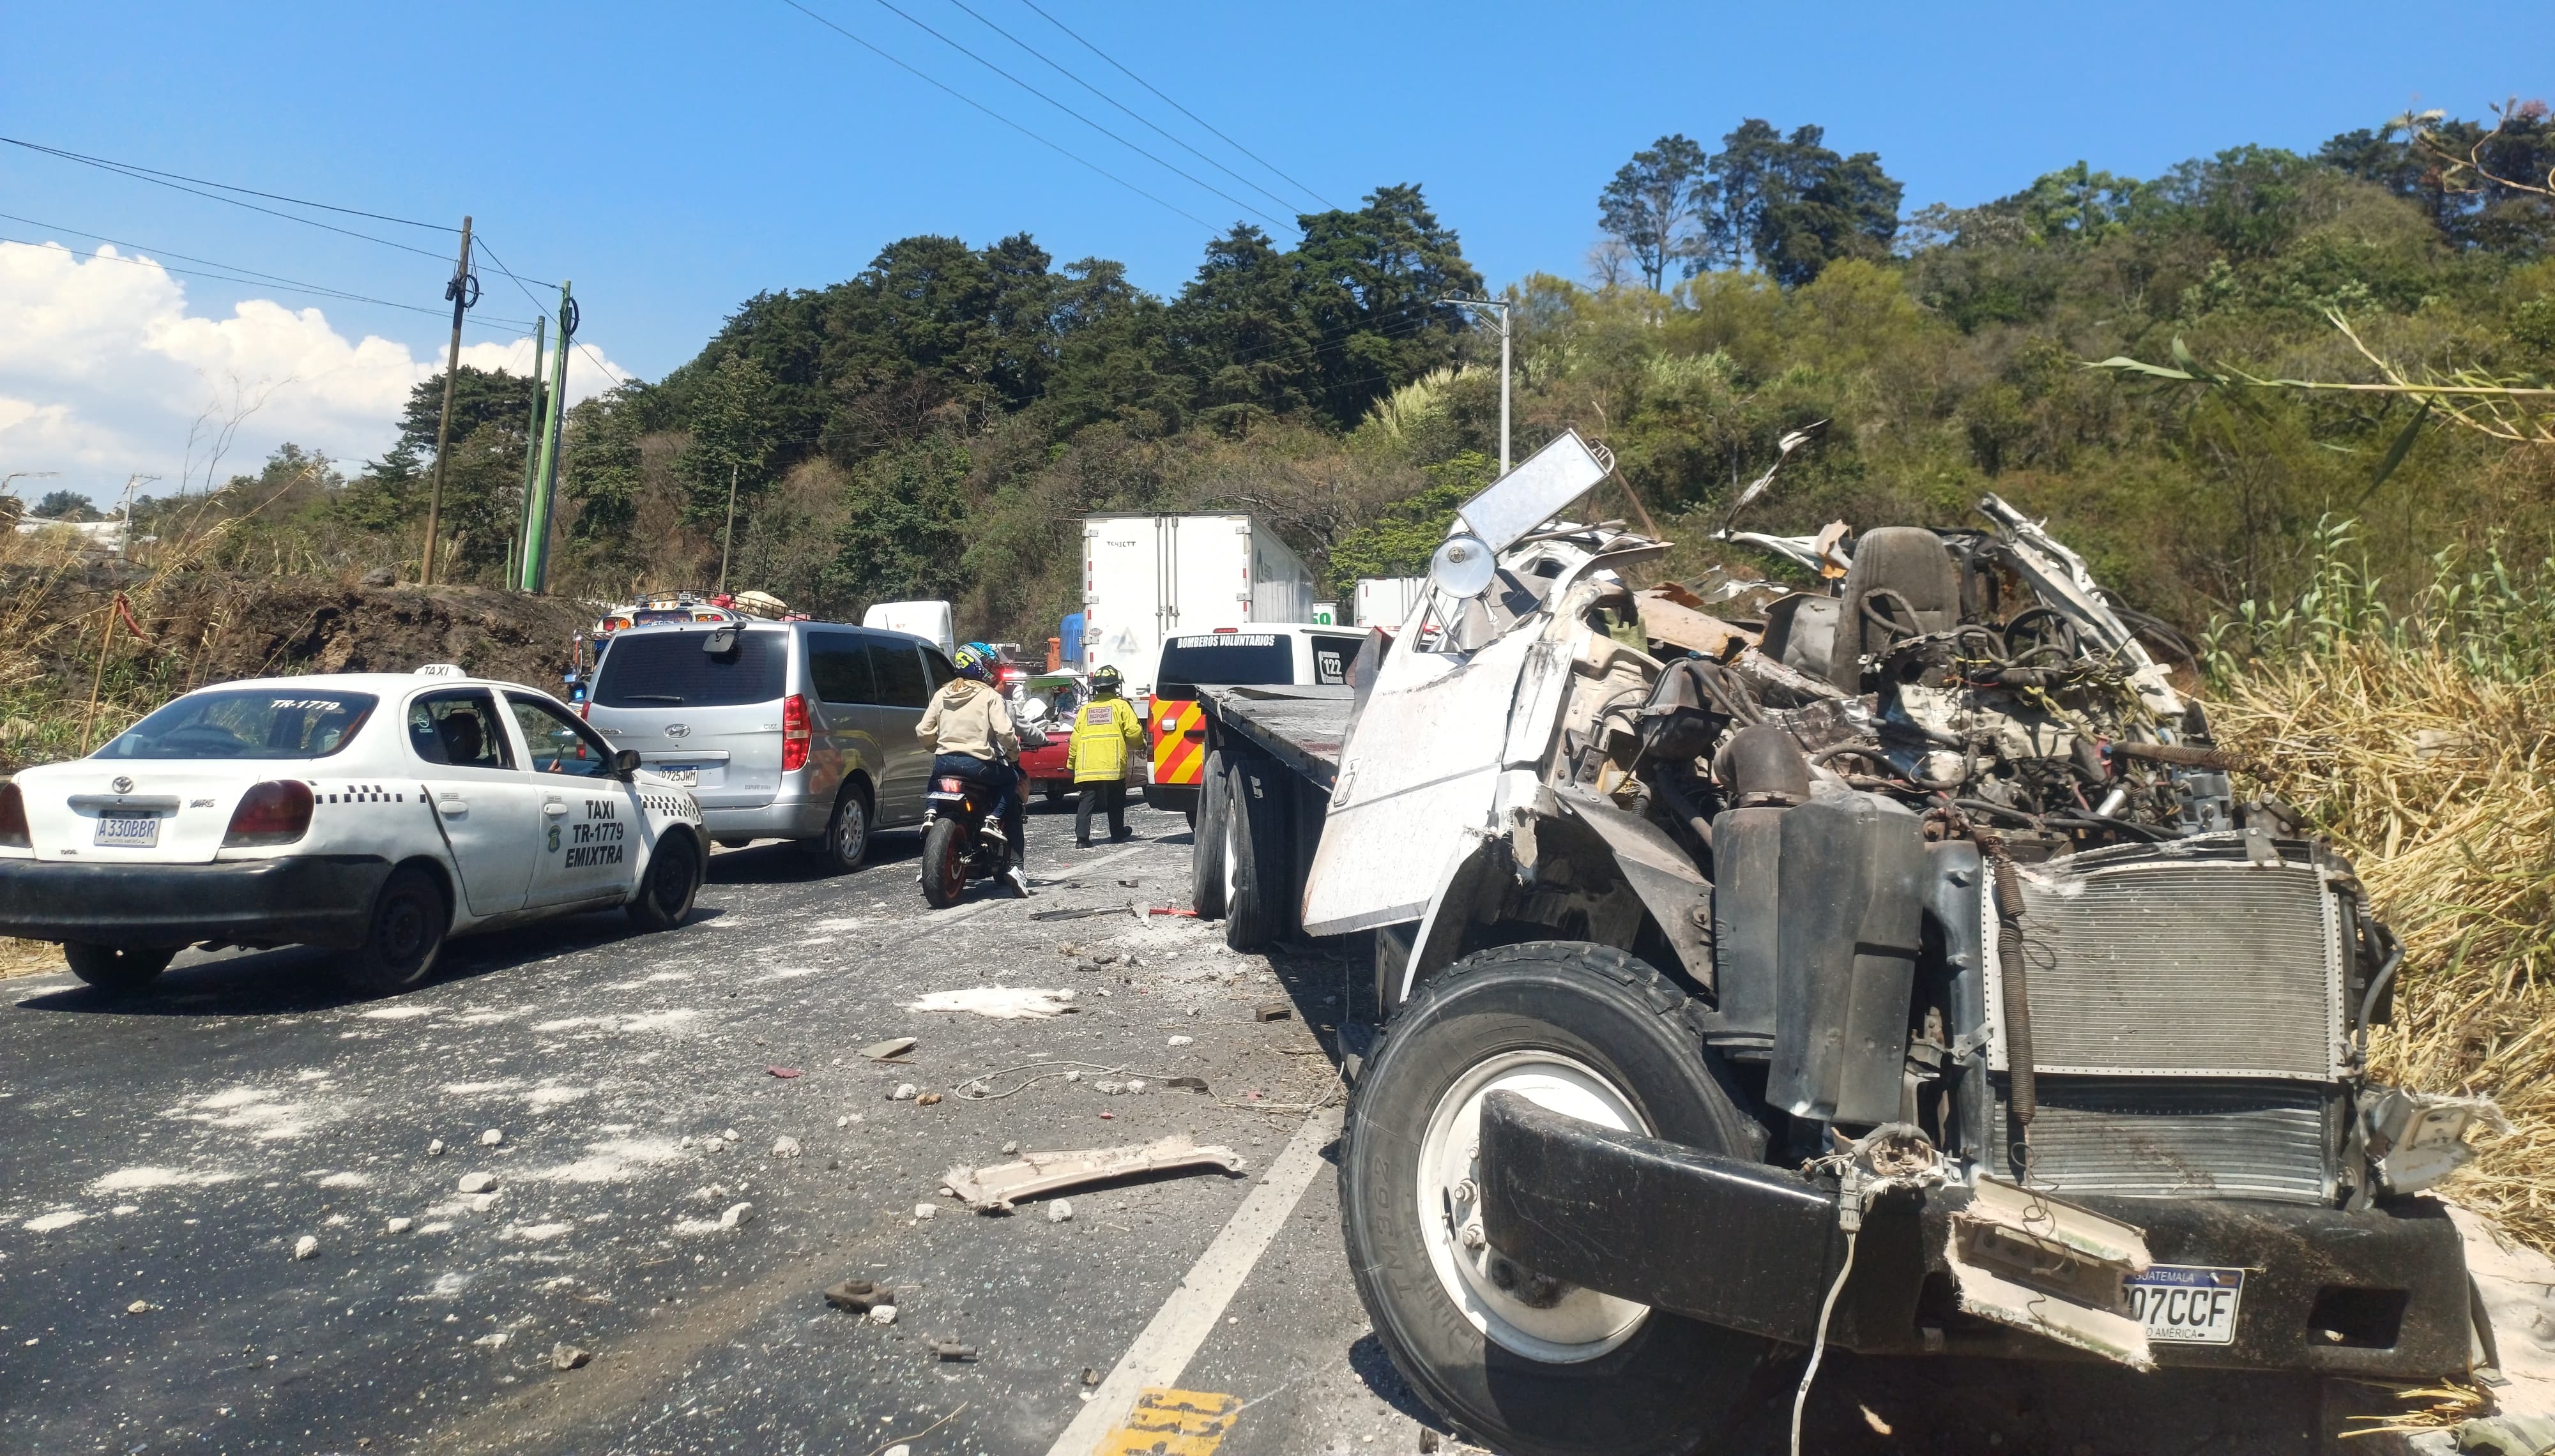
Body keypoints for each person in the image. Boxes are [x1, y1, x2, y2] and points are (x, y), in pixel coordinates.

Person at [918, 641, 1030, 896]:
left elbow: (923, 730)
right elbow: (1005, 732)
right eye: (990, 665)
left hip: (945, 763)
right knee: (1009, 781)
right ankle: (997, 831)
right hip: (979, 766)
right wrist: (1013, 755)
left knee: (935, 779)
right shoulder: (990, 696)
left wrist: (937, 746)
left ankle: (931, 812)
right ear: (979, 667)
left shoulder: (942, 693)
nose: (993, 670)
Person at [1068, 665, 1146, 847]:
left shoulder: (1085, 710)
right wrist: (1141, 745)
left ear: (1096, 688)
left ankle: (1082, 839)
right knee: (1116, 799)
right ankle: (1117, 833)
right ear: (1116, 687)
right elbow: (1133, 732)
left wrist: (1071, 763)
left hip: (1087, 765)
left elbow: (1075, 740)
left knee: (1087, 799)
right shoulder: (1121, 706)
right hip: (1112, 765)